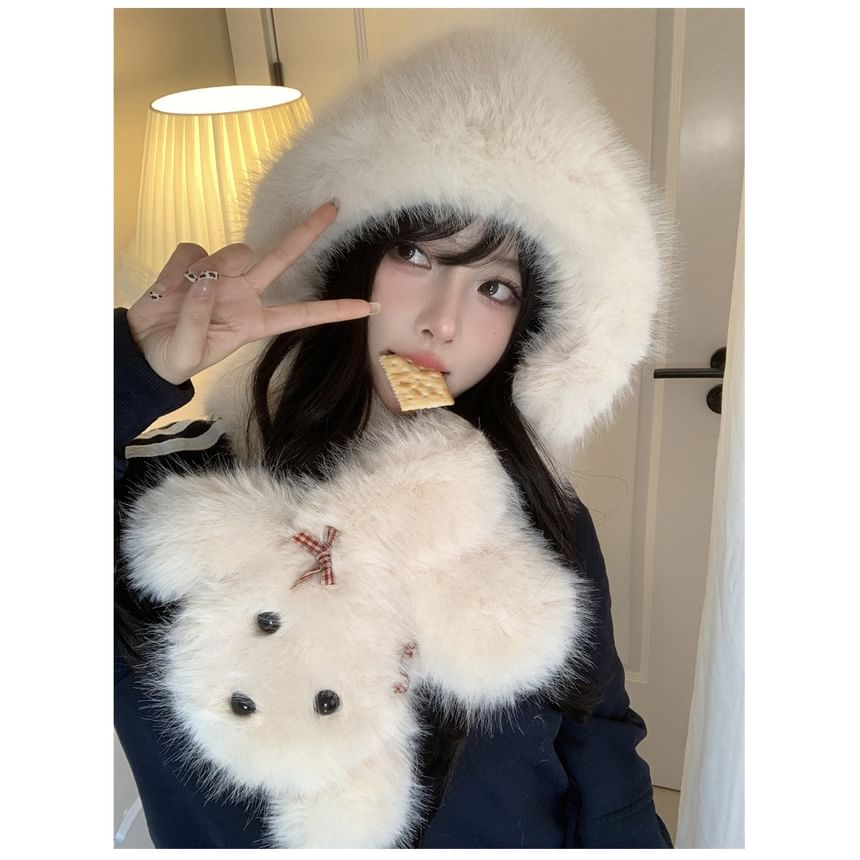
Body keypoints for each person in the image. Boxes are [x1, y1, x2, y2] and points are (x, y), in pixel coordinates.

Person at [115, 26, 673, 849]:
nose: (443, 321)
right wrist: (132, 366)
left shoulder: (537, 508)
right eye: (415, 253)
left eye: (494, 287)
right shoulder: (178, 489)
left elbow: (599, 730)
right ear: (350, 260)